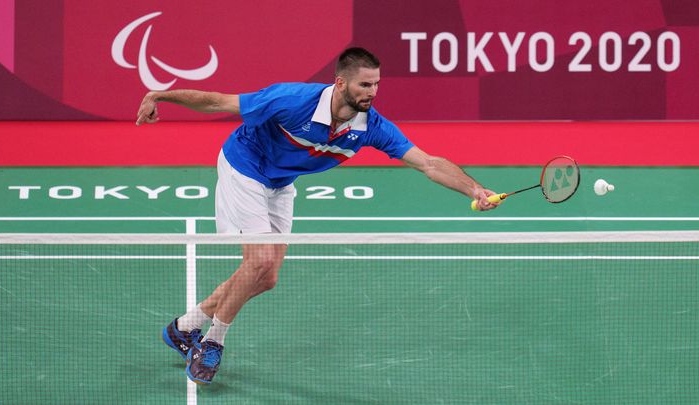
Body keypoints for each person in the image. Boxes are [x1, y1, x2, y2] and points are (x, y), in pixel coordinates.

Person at [136, 47, 499, 385]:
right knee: (258, 260)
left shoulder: (370, 126)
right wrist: (158, 95)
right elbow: (218, 101)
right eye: (364, 84)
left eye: (376, 84)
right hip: (245, 167)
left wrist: (474, 189)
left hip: (281, 182)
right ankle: (213, 342)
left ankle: (185, 327)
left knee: (266, 277)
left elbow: (429, 163)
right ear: (340, 82)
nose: (372, 92)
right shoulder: (292, 101)